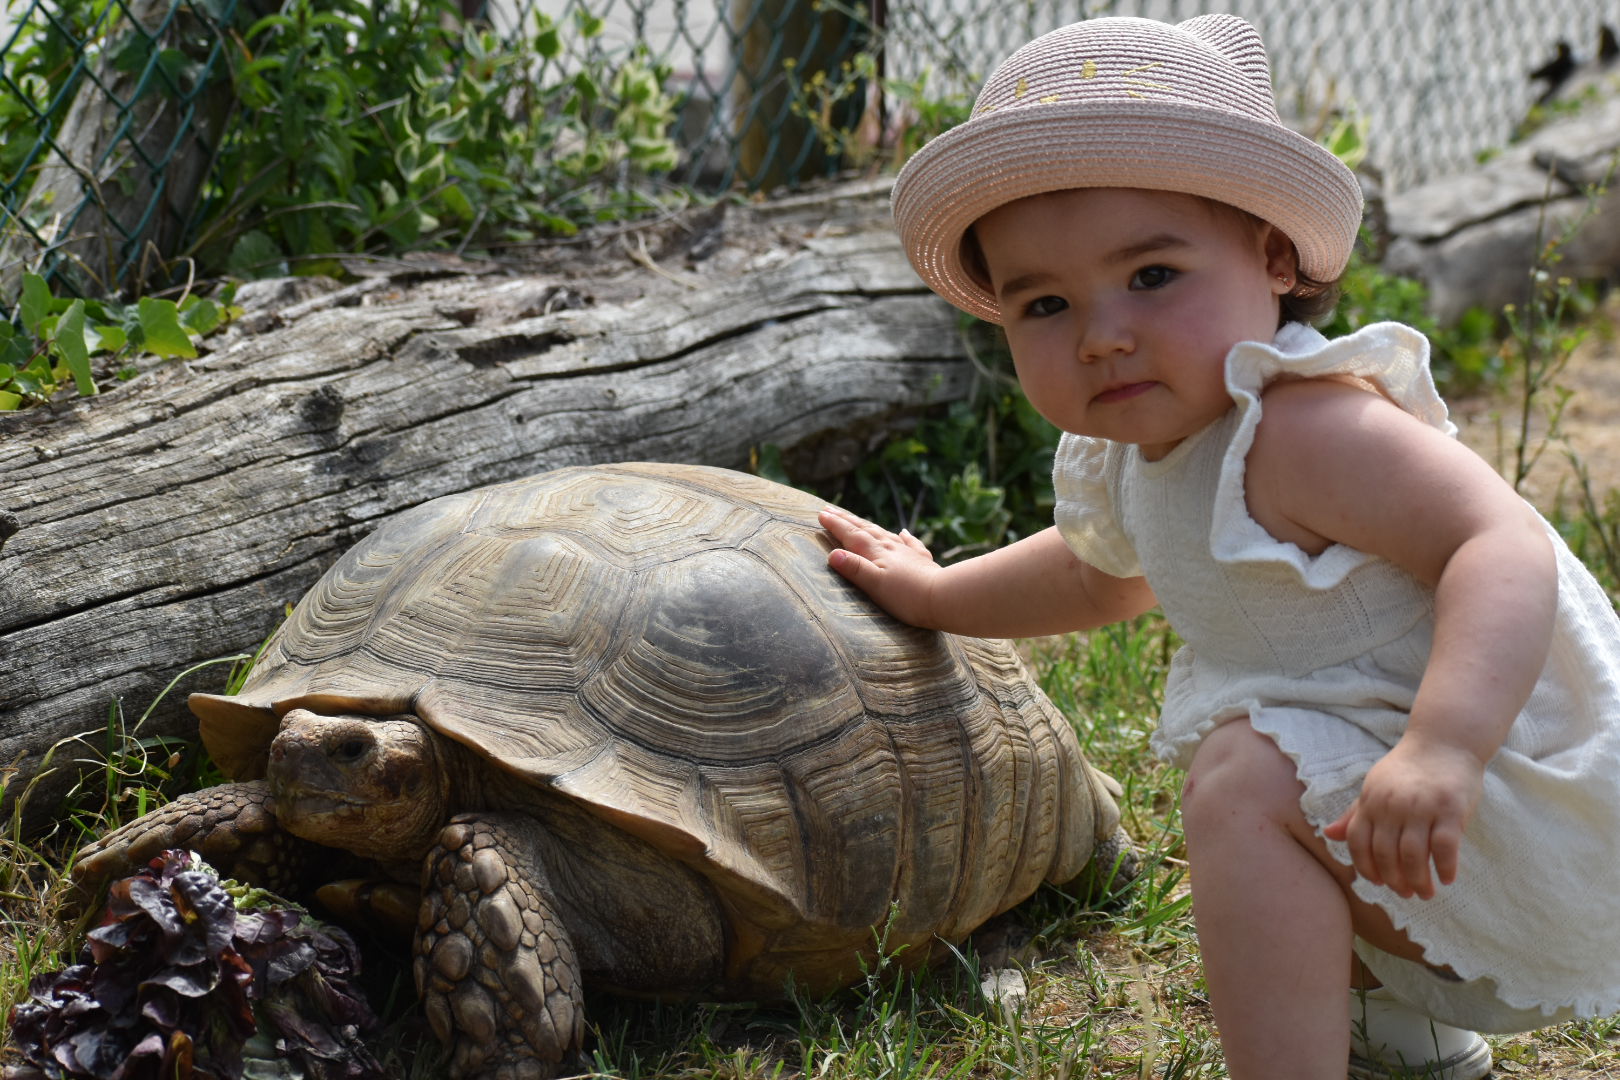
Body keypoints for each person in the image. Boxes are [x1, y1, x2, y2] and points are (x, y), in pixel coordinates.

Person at [818, 13, 1620, 1080]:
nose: (1102, 333)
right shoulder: (1144, 452)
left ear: (1275, 257)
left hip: (1510, 813)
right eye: (1046, 304)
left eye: (1151, 277)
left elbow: (1501, 543)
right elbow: (1101, 575)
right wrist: (935, 594)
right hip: (1408, 845)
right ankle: (1405, 1035)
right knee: (1262, 760)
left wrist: (1444, 747)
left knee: (1246, 781)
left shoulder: (1302, 426)